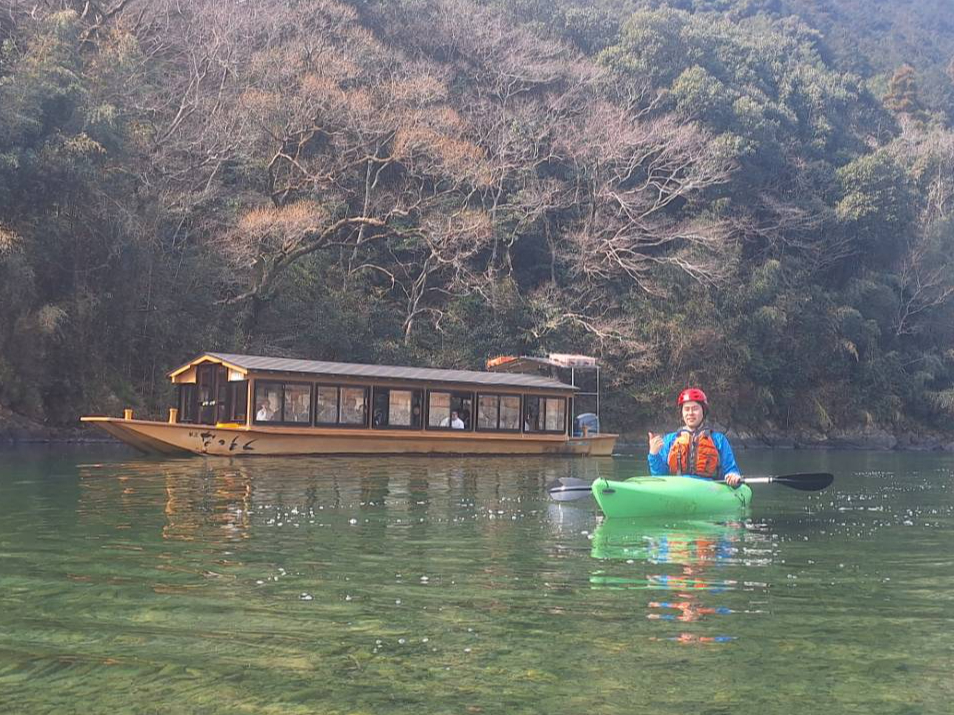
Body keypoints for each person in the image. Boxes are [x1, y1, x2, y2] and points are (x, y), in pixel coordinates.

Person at [647, 388, 742, 486]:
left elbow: (731, 469)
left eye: (695, 408)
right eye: (686, 409)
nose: (690, 413)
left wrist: (732, 476)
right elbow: (660, 476)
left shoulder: (718, 440)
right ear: (682, 412)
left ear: (703, 411)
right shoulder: (670, 440)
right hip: (678, 487)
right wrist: (654, 455)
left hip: (709, 488)